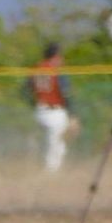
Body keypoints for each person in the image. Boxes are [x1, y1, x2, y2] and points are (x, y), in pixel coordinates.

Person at [24, 42, 78, 172]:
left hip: (39, 111)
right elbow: (65, 93)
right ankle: (50, 175)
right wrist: (73, 115)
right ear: (56, 56)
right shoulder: (56, 70)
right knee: (57, 146)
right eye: (60, 55)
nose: (61, 59)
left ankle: (39, 168)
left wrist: (34, 103)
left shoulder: (37, 68)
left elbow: (25, 90)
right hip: (55, 112)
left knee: (47, 143)